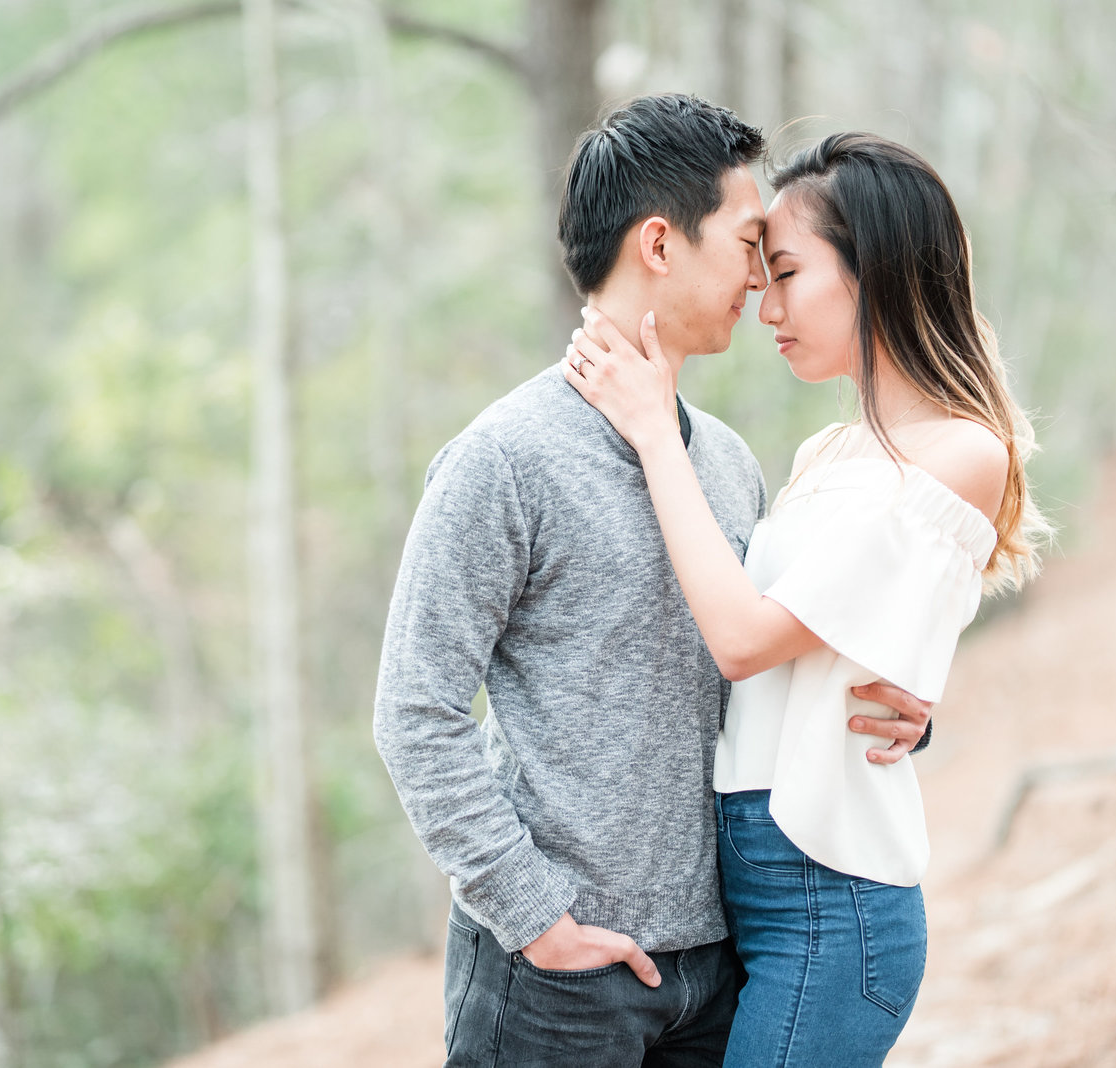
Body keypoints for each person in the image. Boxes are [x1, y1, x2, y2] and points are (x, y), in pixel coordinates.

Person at [372, 98, 935, 1067]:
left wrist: (901, 710)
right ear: (661, 245)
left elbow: (754, 662)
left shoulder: (720, 462)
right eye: (749, 241)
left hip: (713, 971)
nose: (761, 278)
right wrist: (534, 918)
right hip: (555, 977)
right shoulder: (505, 459)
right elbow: (414, 712)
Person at [563, 131, 1050, 1065]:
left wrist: (653, 431)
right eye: (762, 272)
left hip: (833, 902)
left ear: (879, 271)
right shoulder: (822, 457)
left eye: (785, 273)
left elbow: (745, 641)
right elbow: (809, 658)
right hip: (745, 887)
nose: (765, 305)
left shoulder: (963, 452)